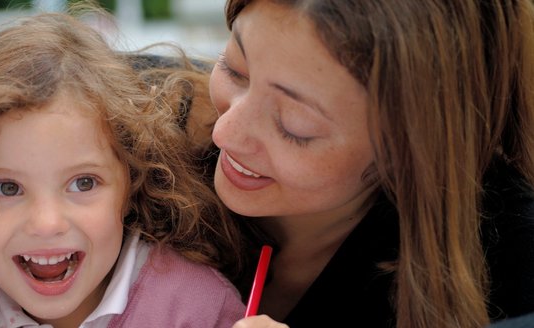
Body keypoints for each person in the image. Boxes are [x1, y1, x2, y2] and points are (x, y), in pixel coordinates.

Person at [190, 0, 534, 327]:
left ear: (409, 147)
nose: (225, 134)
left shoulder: (512, 261)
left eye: (295, 126)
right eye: (235, 69)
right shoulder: (143, 147)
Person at [0, 8, 245, 328]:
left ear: (131, 184)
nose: (47, 224)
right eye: (7, 188)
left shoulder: (198, 309)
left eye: (84, 183)